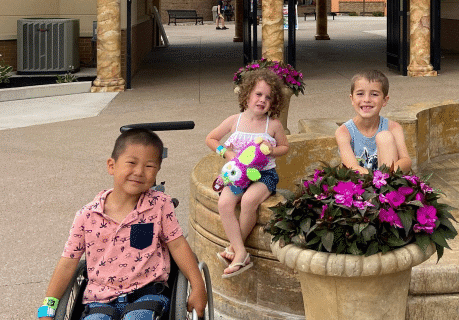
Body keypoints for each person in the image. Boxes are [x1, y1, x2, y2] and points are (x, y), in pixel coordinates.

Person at [40, 128, 206, 320]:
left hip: (147, 293)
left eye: (149, 166)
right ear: (111, 166)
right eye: (131, 163)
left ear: (157, 171)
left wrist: (198, 285)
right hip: (99, 301)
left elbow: (177, 244)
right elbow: (68, 263)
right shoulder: (87, 215)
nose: (139, 172)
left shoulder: (159, 205)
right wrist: (48, 308)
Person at [205, 68, 289, 278]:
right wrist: (227, 153)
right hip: (239, 174)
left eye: (268, 97)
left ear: (274, 101)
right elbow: (211, 139)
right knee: (225, 203)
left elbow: (285, 147)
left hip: (264, 176)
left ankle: (235, 250)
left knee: (249, 201)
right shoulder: (235, 121)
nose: (262, 100)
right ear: (247, 94)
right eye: (258, 94)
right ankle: (241, 252)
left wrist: (272, 150)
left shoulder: (274, 125)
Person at [335, 70, 411, 175]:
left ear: (385, 100)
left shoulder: (393, 127)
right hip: (359, 185)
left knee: (385, 137)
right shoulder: (344, 132)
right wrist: (375, 178)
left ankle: (386, 188)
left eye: (374, 94)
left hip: (387, 181)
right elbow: (352, 167)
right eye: (360, 94)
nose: (366, 99)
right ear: (352, 99)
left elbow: (406, 161)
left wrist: (385, 175)